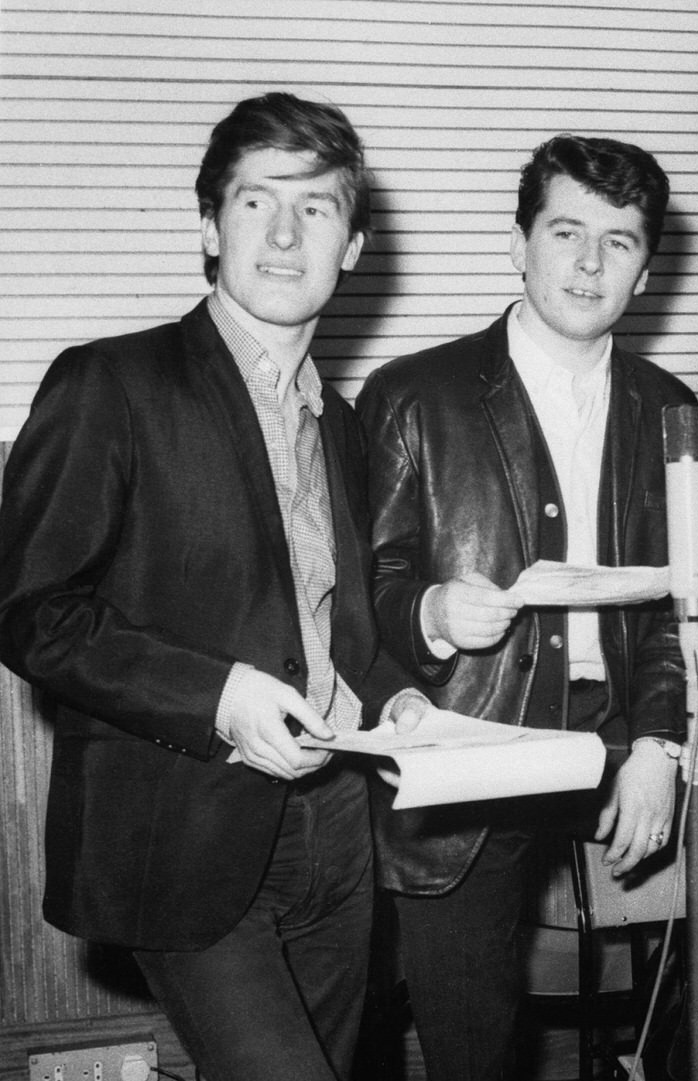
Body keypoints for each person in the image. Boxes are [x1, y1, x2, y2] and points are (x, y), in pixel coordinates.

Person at [358, 134, 698, 1081]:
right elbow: (369, 593)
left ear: (646, 269)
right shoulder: (413, 395)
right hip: (469, 742)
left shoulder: (675, 413)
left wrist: (662, 747)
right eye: (566, 232)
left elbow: (683, 605)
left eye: (618, 242)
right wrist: (426, 609)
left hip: (623, 731)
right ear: (519, 243)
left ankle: (685, 1048)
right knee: (477, 1057)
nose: (589, 264)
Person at [0, 92, 427, 1081]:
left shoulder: (346, 427)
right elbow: (31, 612)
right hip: (182, 833)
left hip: (337, 830)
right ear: (208, 226)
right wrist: (219, 698)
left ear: (353, 244)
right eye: (254, 203)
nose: (285, 233)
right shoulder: (111, 383)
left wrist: (398, 691)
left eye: (316, 208)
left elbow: (338, 626)